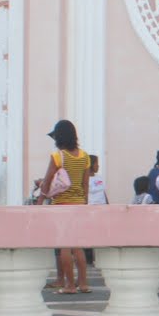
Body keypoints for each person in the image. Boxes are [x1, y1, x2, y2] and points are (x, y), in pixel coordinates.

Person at [38, 119, 92, 294]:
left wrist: (40, 200)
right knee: (78, 246)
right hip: (79, 204)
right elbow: (85, 184)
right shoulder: (85, 157)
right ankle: (83, 283)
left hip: (61, 204)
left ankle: (69, 285)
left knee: (64, 246)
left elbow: (47, 181)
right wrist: (84, 202)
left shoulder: (58, 156)